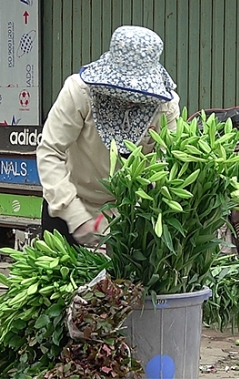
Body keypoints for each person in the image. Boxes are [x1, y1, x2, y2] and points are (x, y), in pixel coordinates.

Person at [37, 25, 180, 247]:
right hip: (69, 202)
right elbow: (50, 152)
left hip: (127, 213)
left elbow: (165, 167)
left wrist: (135, 215)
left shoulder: (166, 106)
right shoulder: (79, 92)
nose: (130, 100)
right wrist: (76, 216)